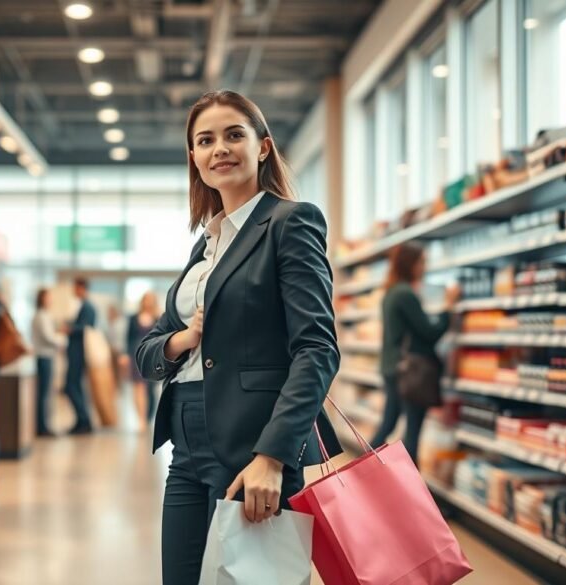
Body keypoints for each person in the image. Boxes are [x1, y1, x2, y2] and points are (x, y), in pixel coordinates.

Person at [135, 90, 341, 584]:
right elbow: (148, 350)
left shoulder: (290, 223)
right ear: (194, 159)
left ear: (263, 147)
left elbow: (316, 349)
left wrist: (272, 455)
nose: (219, 148)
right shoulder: (206, 243)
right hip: (185, 447)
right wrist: (181, 340)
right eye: (205, 140)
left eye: (234, 135)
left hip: (256, 442)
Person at [371, 242, 458, 465]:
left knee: (388, 424)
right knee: (412, 432)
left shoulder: (391, 292)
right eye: (421, 262)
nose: (424, 267)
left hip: (394, 367)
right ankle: (411, 489)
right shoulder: (405, 294)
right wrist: (448, 308)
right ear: (410, 264)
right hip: (410, 371)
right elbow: (429, 332)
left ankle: (362, 474)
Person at [30, 288, 67, 437]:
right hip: (44, 357)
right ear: (41, 299)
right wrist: (62, 340)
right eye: (48, 297)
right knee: (43, 393)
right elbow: (48, 337)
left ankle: (44, 424)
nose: (50, 300)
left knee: (46, 393)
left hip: (46, 356)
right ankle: (42, 427)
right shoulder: (41, 316)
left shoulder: (44, 315)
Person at [62, 278, 96, 434]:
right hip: (75, 351)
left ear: (82, 288)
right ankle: (81, 420)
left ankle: (84, 420)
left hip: (79, 352)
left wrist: (70, 329)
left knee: (71, 385)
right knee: (75, 386)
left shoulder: (88, 307)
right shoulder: (83, 306)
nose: (74, 291)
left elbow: (86, 328)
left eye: (76, 288)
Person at [126, 291, 161, 431]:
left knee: (150, 388)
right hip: (136, 353)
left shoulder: (158, 318)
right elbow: (128, 337)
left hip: (151, 355)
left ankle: (147, 417)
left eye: (150, 299)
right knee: (138, 387)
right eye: (146, 299)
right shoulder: (133, 318)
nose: (148, 302)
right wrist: (125, 355)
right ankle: (140, 418)